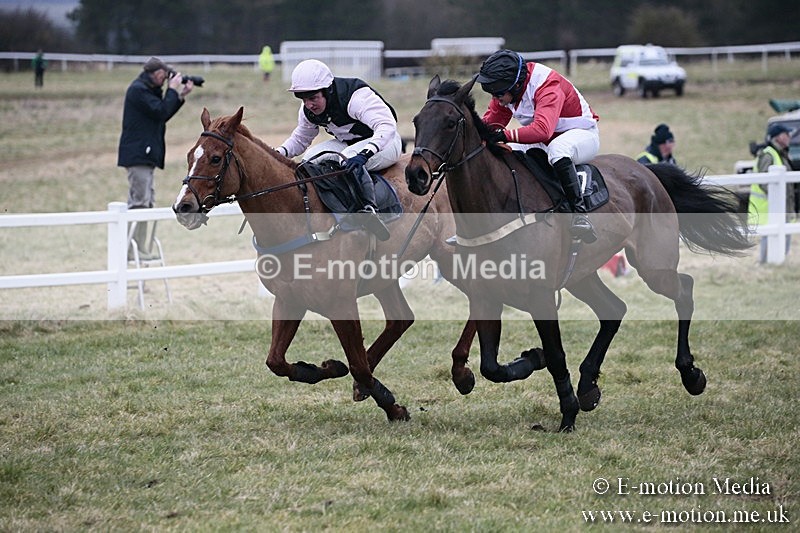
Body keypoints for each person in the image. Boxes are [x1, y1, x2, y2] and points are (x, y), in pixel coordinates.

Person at [477, 49, 600, 243]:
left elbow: (543, 130)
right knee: (504, 154)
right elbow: (490, 126)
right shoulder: (508, 90)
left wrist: (504, 135)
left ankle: (579, 214)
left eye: (498, 92)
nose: (495, 97)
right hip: (545, 141)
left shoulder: (547, 85)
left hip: (582, 136)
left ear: (516, 85)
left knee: (557, 150)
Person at [276, 59, 402, 241]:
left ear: (328, 91)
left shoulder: (356, 97)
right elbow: (300, 139)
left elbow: (387, 126)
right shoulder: (307, 110)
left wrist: (365, 154)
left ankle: (369, 210)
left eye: (313, 98)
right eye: (303, 99)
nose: (309, 104)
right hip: (350, 144)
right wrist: (276, 153)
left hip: (386, 142)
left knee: (347, 158)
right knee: (310, 159)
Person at [118, 56, 194, 256]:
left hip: (145, 156)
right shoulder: (138, 90)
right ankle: (132, 249)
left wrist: (180, 96)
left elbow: (163, 113)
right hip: (138, 156)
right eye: (163, 75)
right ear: (155, 73)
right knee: (140, 202)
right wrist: (172, 90)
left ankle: (139, 248)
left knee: (147, 201)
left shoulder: (145, 91)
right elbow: (160, 111)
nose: (165, 79)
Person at [748, 123, 796, 263]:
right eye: (786, 134)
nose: (789, 137)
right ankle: (766, 264)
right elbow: (765, 182)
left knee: (782, 236)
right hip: (769, 207)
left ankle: (777, 263)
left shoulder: (780, 153)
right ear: (778, 137)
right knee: (770, 237)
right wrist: (779, 197)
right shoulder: (769, 154)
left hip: (779, 206)